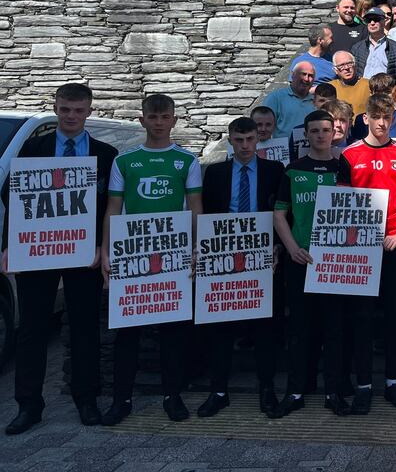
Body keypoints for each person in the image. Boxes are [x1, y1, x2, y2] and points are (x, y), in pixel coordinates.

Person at [1, 83, 117, 434]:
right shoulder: (32, 148)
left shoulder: (105, 154)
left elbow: (113, 206)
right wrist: (9, 245)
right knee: (32, 330)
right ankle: (28, 406)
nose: (71, 116)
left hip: (85, 253)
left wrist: (102, 245)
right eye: (65, 110)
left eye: (78, 110)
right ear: (56, 108)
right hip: (37, 250)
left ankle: (87, 400)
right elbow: (14, 197)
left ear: (88, 111)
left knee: (84, 327)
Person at [99, 94, 203, 425]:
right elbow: (113, 209)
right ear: (142, 120)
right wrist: (106, 250)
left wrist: (196, 249)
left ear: (174, 120)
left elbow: (195, 208)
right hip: (132, 256)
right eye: (153, 117)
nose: (159, 122)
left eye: (165, 117)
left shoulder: (186, 160)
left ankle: (172, 397)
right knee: (127, 334)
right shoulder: (125, 161)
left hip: (173, 256)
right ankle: (121, 399)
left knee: (173, 334)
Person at [197, 117, 285, 418]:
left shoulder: (274, 171)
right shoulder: (215, 173)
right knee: (220, 327)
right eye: (239, 140)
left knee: (264, 327)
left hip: (262, 256)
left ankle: (266, 388)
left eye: (249, 139)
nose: (245, 146)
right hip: (224, 256)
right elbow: (207, 214)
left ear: (257, 139)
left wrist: (278, 246)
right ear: (230, 140)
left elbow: (281, 213)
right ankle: (218, 390)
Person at [269, 110, 353, 419]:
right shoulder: (292, 170)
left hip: (334, 263)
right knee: (299, 331)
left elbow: (350, 211)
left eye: (325, 130)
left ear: (335, 132)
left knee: (334, 330)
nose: (320, 135)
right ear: (306, 135)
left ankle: (333, 391)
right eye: (314, 130)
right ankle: (295, 392)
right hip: (300, 260)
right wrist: (292, 249)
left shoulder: (343, 167)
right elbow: (279, 214)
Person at [344, 94, 396, 413]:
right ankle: (363, 385)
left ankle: (393, 382)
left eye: (386, 116)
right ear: (365, 117)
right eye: (375, 116)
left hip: (395, 245)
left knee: (394, 318)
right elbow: (341, 204)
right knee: (361, 319)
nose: (381, 122)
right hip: (361, 249)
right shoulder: (348, 155)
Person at [263, 62, 316, 138]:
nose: (306, 79)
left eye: (310, 76)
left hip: (310, 149)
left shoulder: (316, 101)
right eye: (303, 74)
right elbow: (262, 126)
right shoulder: (276, 98)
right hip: (283, 149)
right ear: (293, 75)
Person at [329, 50, 371, 118]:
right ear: (335, 70)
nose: (346, 68)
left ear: (355, 65)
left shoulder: (369, 85)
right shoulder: (330, 87)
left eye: (349, 63)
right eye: (341, 65)